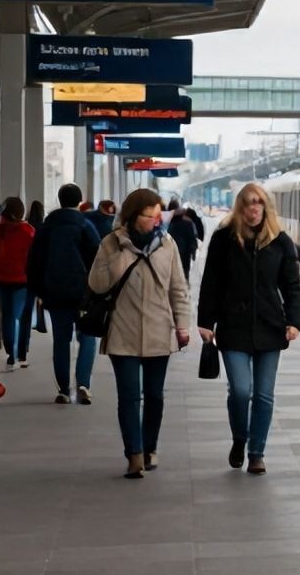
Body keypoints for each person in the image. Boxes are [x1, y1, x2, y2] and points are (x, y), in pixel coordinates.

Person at [198, 183, 300, 476]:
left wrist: (294, 321)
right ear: (240, 208)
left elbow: (292, 286)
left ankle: (257, 452)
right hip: (233, 327)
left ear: (265, 208)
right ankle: (239, 439)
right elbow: (211, 283)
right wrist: (205, 321)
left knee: (264, 395)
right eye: (248, 203)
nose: (253, 208)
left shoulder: (280, 242)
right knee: (241, 391)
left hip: (270, 328)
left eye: (259, 203)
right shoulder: (223, 240)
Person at [89, 189, 191, 479]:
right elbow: (96, 284)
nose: (157, 220)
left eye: (159, 214)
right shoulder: (111, 243)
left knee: (155, 395)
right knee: (130, 396)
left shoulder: (167, 244)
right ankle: (133, 454)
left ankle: (149, 447)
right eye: (150, 215)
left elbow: (178, 289)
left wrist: (182, 324)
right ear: (134, 216)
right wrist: (123, 255)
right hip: (123, 330)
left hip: (160, 330)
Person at [28, 183, 100, 404]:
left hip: (55, 293)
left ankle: (63, 388)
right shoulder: (86, 226)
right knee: (87, 337)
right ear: (79, 201)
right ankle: (83, 384)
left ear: (60, 200)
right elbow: (98, 260)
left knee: (61, 340)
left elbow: (34, 263)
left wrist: (40, 291)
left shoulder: (46, 229)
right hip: (83, 295)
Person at [0, 197, 36, 371]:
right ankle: (18, 354)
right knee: (17, 316)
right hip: (22, 281)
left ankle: (11, 354)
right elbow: (34, 258)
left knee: (7, 316)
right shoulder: (29, 231)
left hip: (0, 280)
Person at [168, 207, 199, 277]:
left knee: (174, 272)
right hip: (185, 253)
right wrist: (193, 252)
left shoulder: (171, 224)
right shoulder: (188, 223)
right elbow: (192, 238)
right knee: (185, 271)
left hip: (173, 252)